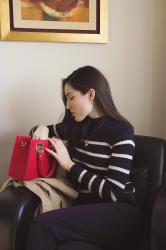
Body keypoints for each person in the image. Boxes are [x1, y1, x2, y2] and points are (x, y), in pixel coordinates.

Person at [26, 66, 142, 250]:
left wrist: (69, 165)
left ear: (90, 94)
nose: (67, 105)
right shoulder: (75, 126)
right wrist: (40, 128)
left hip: (118, 211)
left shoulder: (122, 131)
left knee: (42, 225)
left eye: (71, 97)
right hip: (85, 208)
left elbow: (114, 192)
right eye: (66, 99)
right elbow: (36, 131)